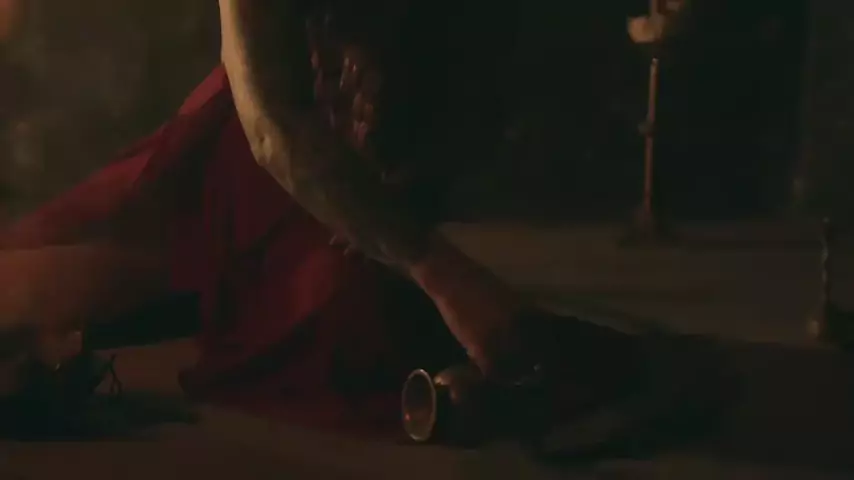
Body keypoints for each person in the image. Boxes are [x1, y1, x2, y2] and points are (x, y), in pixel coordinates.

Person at [0, 0, 540, 430]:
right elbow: (272, 124)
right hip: (272, 137)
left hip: (384, 141)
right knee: (99, 258)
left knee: (368, 320)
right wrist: (435, 268)